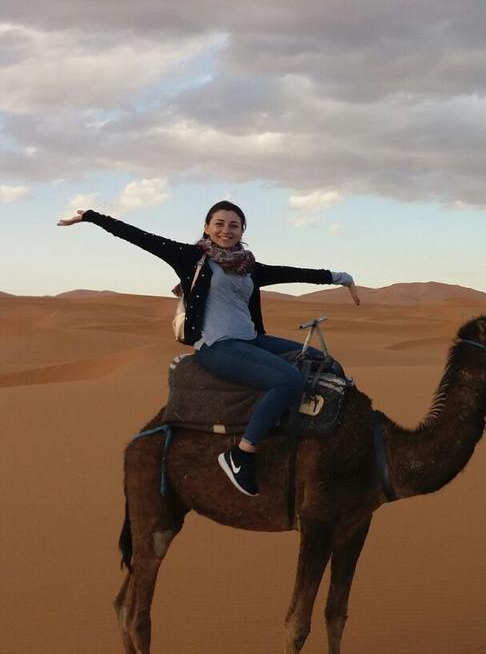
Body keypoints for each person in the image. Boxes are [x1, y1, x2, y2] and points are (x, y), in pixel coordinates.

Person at [58, 201, 360, 497]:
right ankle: (242, 454)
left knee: (323, 361)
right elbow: (139, 237)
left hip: (251, 340)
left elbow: (295, 273)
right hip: (216, 346)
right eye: (219, 224)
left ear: (242, 230)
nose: (226, 230)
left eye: (233, 225)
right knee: (288, 380)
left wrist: (341, 278)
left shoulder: (249, 267)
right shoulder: (191, 258)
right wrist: (91, 217)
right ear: (206, 227)